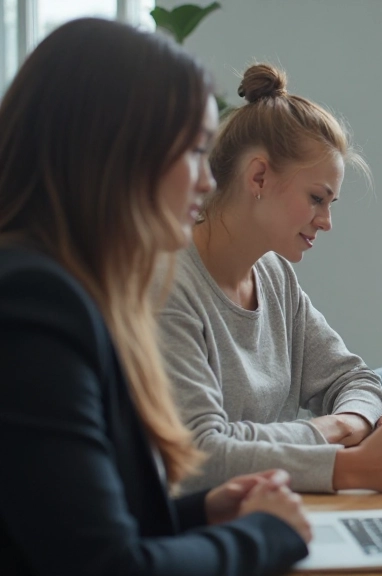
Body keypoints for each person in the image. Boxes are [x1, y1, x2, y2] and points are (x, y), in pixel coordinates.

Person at [0, 19, 310, 575]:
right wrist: (266, 533)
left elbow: (71, 523)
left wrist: (196, 513)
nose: (207, 182)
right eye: (194, 150)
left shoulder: (68, 290)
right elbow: (105, 567)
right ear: (115, 149)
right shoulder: (33, 303)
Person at [157, 63, 382, 495]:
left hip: (278, 509)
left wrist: (345, 421)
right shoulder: (168, 285)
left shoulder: (275, 276)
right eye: (317, 198)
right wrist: (335, 447)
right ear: (258, 177)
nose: (327, 221)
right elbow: (203, 454)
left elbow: (356, 381)